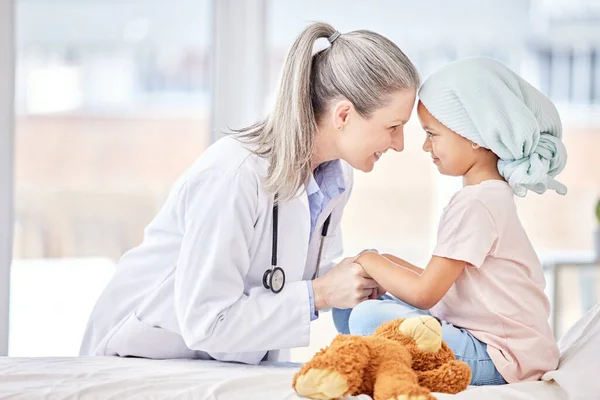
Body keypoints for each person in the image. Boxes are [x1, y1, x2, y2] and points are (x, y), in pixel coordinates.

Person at [79, 22, 420, 364]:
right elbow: (208, 321)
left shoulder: (335, 175)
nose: (400, 144)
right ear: (344, 114)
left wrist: (357, 277)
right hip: (135, 356)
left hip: (215, 363)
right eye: (393, 126)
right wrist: (323, 293)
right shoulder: (233, 174)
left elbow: (284, 269)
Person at [333, 57, 565, 385]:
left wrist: (369, 260)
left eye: (432, 134)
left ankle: (379, 364)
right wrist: (383, 265)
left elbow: (427, 293)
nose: (425, 146)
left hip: (499, 356)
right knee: (351, 306)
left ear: (474, 136)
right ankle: (378, 361)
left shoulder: (478, 202)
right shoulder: (487, 196)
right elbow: (446, 284)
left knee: (367, 316)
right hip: (476, 334)